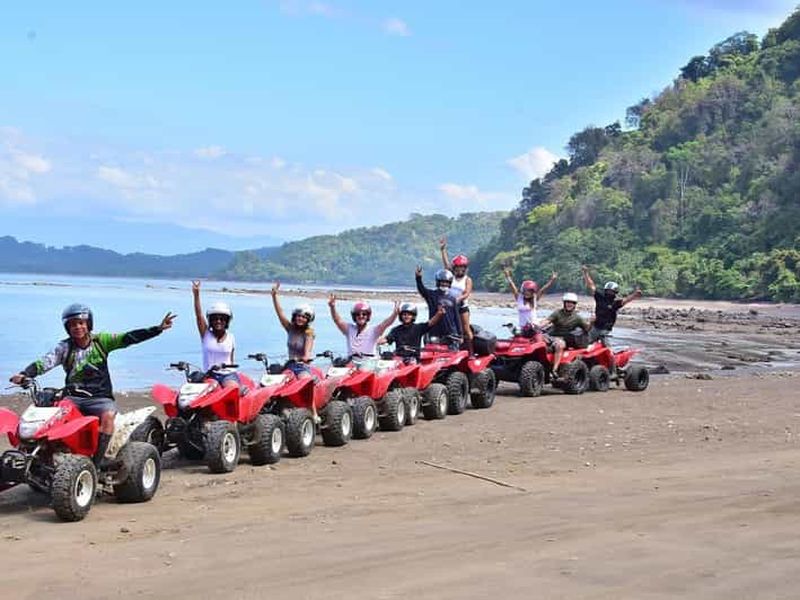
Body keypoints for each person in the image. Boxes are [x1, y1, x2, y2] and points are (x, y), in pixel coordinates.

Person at [9, 303, 176, 469]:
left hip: (100, 397)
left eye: (81, 323)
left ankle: (98, 461)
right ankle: (47, 455)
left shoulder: (102, 342)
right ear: (68, 328)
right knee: (53, 418)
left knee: (109, 416)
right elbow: (44, 362)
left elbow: (129, 338)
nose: (77, 327)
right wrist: (25, 374)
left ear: (88, 324)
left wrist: (158, 329)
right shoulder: (64, 347)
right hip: (73, 397)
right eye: (73, 324)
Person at [192, 281, 239, 389]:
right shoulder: (206, 334)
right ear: (211, 320)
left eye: (222, 319)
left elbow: (231, 360)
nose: (218, 321)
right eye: (215, 318)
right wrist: (196, 294)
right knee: (210, 390)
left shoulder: (231, 337)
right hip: (210, 374)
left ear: (226, 321)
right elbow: (199, 315)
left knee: (232, 389)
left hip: (228, 375)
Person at [581, 265, 642, 344]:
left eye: (611, 291)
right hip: (595, 327)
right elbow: (591, 285)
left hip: (605, 330)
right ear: (605, 290)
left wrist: (635, 295)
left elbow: (626, 300)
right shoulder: (600, 297)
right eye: (608, 291)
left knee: (605, 343)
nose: (609, 293)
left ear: (615, 292)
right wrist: (586, 273)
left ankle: (610, 354)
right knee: (584, 342)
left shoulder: (616, 303)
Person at [538, 292, 590, 378]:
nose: (569, 304)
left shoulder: (577, 318)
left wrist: (591, 322)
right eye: (567, 302)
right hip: (551, 335)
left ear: (574, 305)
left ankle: (554, 370)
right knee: (537, 339)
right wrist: (538, 325)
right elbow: (547, 321)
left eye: (572, 303)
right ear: (564, 303)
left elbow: (587, 329)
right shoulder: (557, 313)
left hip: (564, 339)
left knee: (559, 345)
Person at [328, 295, 399, 358]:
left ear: (368, 316)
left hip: (368, 364)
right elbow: (337, 320)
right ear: (354, 316)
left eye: (364, 314)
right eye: (358, 314)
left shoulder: (374, 331)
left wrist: (395, 313)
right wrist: (332, 307)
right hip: (351, 363)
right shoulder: (349, 329)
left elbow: (386, 323)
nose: (361, 316)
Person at [270, 282, 315, 380]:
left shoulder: (309, 333)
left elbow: (307, 352)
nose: (300, 318)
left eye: (304, 317)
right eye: (298, 316)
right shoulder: (290, 328)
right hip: (289, 365)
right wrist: (274, 296)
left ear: (308, 320)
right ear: (294, 316)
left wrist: (305, 358)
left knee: (305, 379)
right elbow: (280, 313)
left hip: (301, 366)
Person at [439, 237, 474, 353]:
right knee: (449, 328)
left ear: (465, 269)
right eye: (458, 268)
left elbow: (466, 293)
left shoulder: (467, 279)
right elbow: (445, 265)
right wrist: (443, 249)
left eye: (462, 268)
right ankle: (451, 349)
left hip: (461, 307)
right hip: (449, 306)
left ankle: (471, 352)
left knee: (465, 329)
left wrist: (457, 299)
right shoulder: (450, 276)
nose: (460, 270)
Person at [415, 266, 463, 349]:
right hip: (434, 332)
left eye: (446, 282)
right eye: (442, 282)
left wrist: (460, 334)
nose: (444, 284)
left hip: (450, 333)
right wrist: (418, 278)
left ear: (450, 283)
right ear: (438, 282)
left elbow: (456, 317)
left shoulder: (453, 298)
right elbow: (422, 289)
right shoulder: (431, 295)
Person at [378, 303, 445, 363]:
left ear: (413, 316)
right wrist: (376, 340)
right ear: (401, 316)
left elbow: (431, 323)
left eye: (409, 315)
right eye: (404, 314)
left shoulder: (418, 328)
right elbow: (387, 339)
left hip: (413, 359)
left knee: (411, 362)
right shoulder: (396, 330)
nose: (406, 316)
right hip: (399, 359)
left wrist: (439, 314)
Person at [502, 266, 558, 331]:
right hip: (522, 327)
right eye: (526, 291)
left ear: (533, 292)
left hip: (534, 327)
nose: (527, 293)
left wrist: (552, 280)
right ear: (523, 291)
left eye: (529, 291)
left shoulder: (535, 298)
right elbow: (512, 285)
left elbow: (543, 289)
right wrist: (508, 276)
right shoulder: (519, 298)